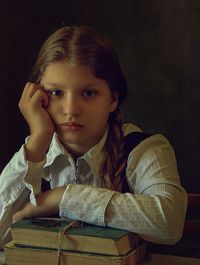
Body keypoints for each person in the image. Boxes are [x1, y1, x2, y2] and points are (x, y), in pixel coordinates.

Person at [0, 25, 187, 247]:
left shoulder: (144, 149)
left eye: (88, 93)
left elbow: (169, 225)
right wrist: (38, 136)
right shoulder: (36, 152)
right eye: (56, 93)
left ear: (113, 99)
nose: (70, 109)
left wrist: (63, 198)